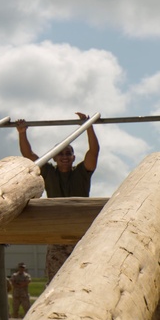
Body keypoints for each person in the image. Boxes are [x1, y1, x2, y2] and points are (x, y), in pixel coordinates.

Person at [17, 112, 100, 282]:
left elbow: (94, 151)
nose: (64, 157)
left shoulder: (81, 172)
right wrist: (22, 133)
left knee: (83, 279)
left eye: (68, 154)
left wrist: (88, 127)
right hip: (58, 234)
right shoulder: (49, 173)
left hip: (81, 233)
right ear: (54, 157)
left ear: (73, 157)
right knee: (55, 280)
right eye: (60, 154)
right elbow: (29, 156)